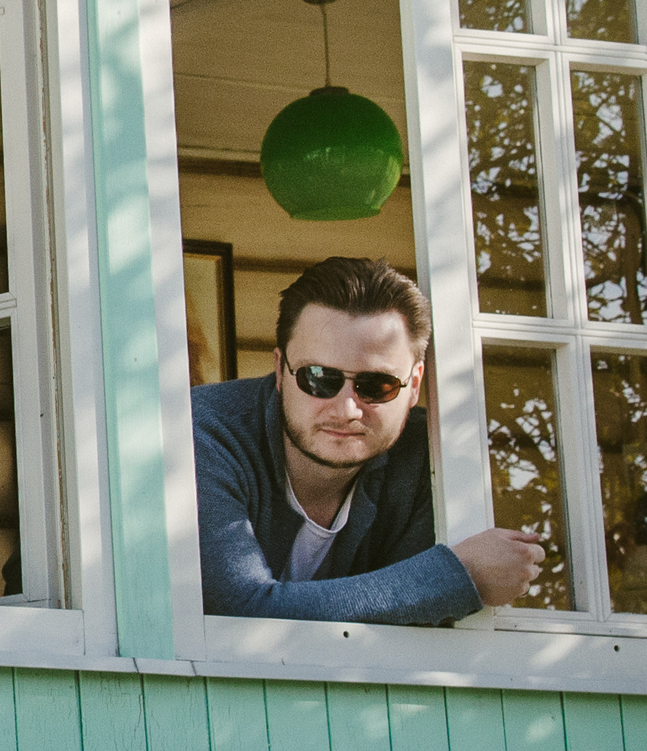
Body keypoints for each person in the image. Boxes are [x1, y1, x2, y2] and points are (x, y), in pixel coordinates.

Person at [195, 257, 544, 622]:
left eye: (377, 385)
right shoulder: (205, 432)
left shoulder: (432, 456)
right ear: (280, 370)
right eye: (318, 378)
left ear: (415, 385)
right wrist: (462, 576)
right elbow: (236, 610)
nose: (347, 409)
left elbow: (416, 631)